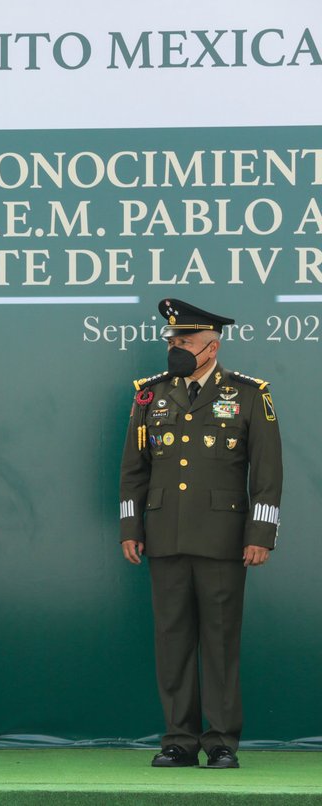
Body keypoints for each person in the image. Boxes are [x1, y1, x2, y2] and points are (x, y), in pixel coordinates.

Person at [119, 298, 282, 770]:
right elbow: (134, 469)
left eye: (184, 342)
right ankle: (178, 741)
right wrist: (131, 525)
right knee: (171, 640)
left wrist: (262, 533)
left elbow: (267, 472)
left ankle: (222, 741)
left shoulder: (249, 394)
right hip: (165, 535)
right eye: (172, 341)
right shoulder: (150, 394)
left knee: (220, 640)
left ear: (210, 347)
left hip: (223, 538)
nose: (175, 348)